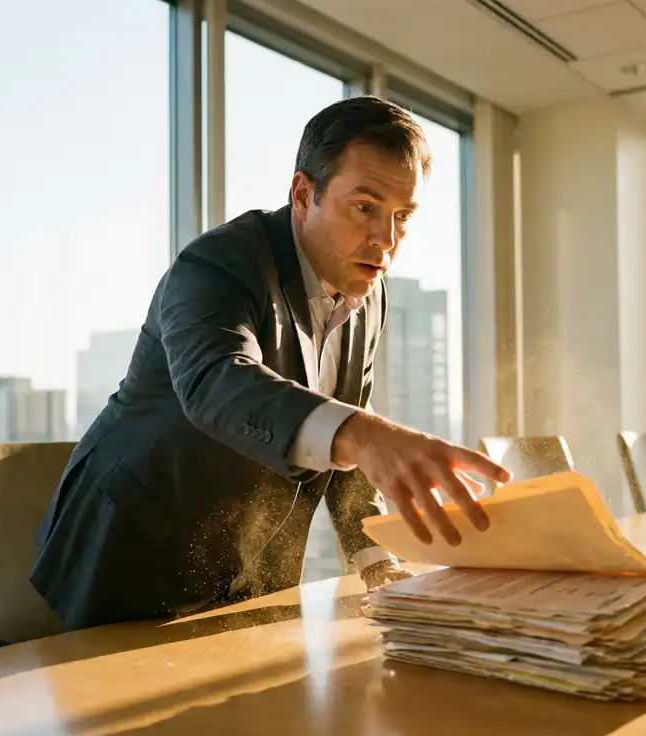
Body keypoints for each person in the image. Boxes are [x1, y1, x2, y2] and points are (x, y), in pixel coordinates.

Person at [30, 96, 511, 631]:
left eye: (402, 217)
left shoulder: (368, 293)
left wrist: (376, 561)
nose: (386, 240)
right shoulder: (217, 263)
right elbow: (216, 380)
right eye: (365, 207)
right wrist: (364, 433)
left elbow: (346, 428)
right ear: (304, 194)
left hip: (242, 583)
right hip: (128, 562)